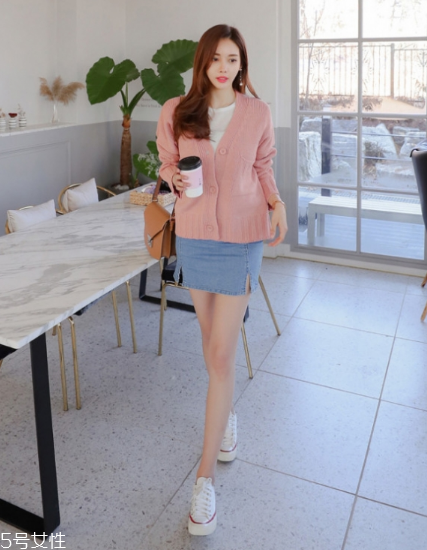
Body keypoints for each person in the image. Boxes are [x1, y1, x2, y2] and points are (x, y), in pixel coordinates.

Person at [156, 24, 287, 536]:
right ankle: (226, 413)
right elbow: (167, 165)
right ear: (202, 62)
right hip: (195, 236)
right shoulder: (177, 110)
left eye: (232, 59)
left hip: (243, 238)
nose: (223, 67)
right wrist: (173, 177)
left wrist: (276, 202)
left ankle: (203, 481)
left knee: (221, 355)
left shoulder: (257, 112)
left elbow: (263, 165)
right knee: (212, 348)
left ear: (241, 64)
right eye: (215, 58)